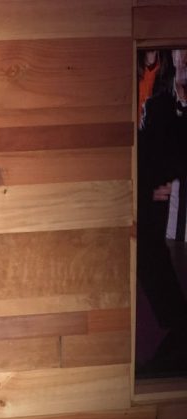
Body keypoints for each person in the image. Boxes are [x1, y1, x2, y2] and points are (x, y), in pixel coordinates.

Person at [138, 48, 187, 375]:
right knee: (148, 251)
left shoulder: (167, 98)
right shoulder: (155, 96)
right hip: (146, 187)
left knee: (151, 251)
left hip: (159, 187)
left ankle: (177, 335)